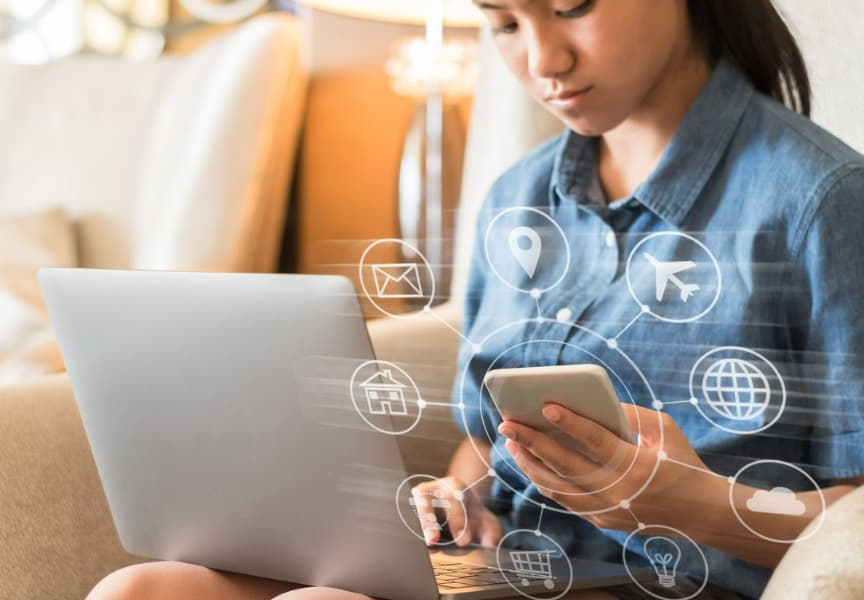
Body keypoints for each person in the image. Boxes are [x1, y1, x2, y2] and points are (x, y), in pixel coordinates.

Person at [88, 1, 864, 598]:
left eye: (571, 8)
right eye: (500, 22)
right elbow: (490, 439)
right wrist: (460, 496)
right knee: (142, 588)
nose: (541, 59)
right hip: (500, 568)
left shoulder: (817, 201)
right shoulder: (515, 198)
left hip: (661, 584)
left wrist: (685, 504)